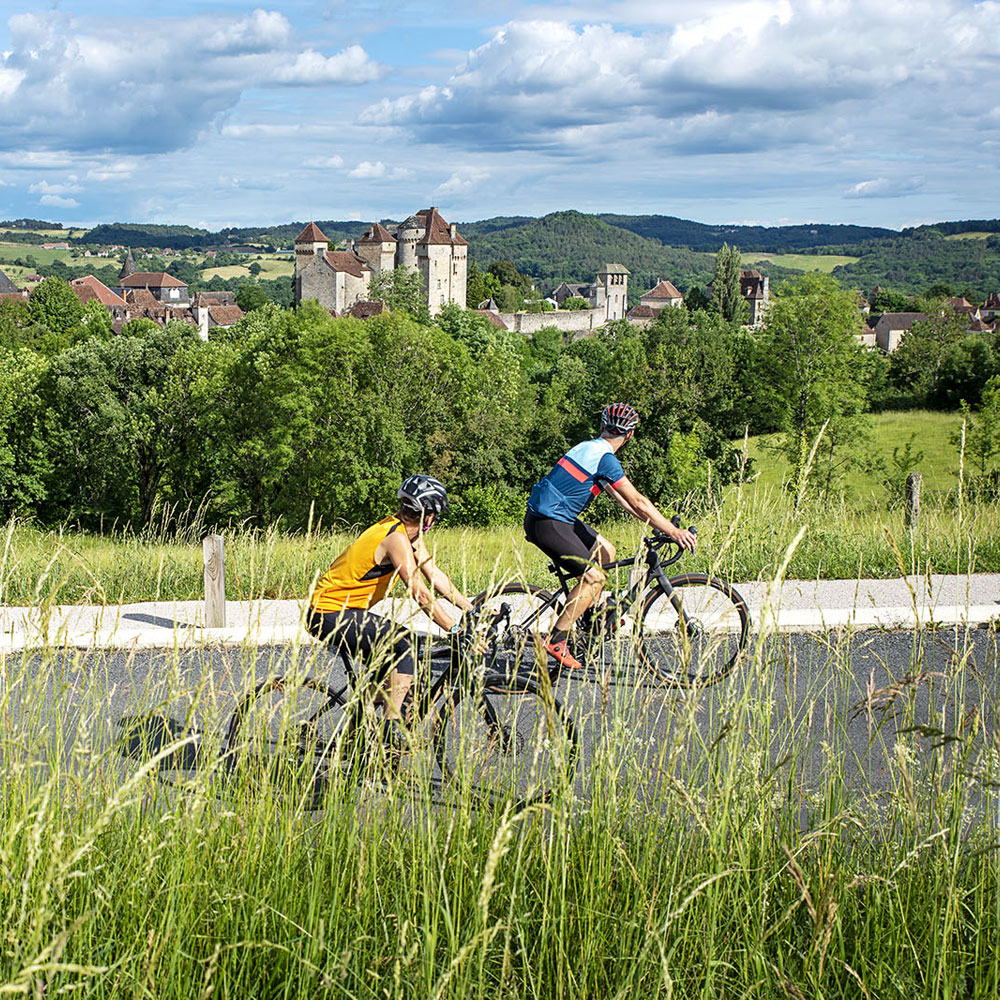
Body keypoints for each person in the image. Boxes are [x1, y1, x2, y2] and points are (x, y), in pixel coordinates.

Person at [524, 402, 696, 670]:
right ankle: (556, 639)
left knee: (607, 552)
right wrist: (672, 530)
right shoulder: (604, 458)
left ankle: (593, 618)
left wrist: (656, 524)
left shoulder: (590, 447)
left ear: (602, 426)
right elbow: (638, 501)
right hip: (548, 522)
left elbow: (623, 500)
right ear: (630, 435)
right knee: (594, 577)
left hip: (554, 518)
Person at [306, 474, 475, 720]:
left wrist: (468, 607)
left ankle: (359, 731)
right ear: (427, 516)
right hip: (329, 613)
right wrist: (454, 629)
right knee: (404, 646)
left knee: (397, 668)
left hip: (345, 610)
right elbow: (420, 592)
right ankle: (390, 729)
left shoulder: (405, 533)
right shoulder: (395, 538)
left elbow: (432, 573)